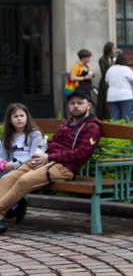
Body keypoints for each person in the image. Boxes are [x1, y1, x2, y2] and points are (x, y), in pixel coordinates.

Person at [0, 91, 101, 234]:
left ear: (88, 105)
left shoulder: (92, 127)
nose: (75, 106)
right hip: (45, 160)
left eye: (80, 103)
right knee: (7, 178)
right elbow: (53, 142)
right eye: (72, 103)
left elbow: (81, 153)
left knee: (24, 180)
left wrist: (49, 157)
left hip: (63, 167)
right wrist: (42, 151)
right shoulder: (66, 123)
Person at [0, 103, 44, 224]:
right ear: (10, 120)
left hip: (29, 167)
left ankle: (7, 209)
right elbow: (2, 156)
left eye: (21, 115)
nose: (19, 118)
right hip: (11, 167)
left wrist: (13, 165)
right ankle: (16, 205)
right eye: (15, 116)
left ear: (27, 117)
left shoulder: (35, 134)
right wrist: (2, 164)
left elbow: (34, 158)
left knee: (4, 178)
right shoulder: (7, 136)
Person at [104, 52, 133, 121]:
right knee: (126, 118)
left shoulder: (110, 69)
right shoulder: (126, 69)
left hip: (112, 96)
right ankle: (126, 132)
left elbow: (106, 82)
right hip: (125, 96)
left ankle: (114, 131)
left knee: (114, 119)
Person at [96, 42, 116, 120]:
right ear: (109, 49)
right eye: (113, 48)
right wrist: (112, 66)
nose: (114, 50)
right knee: (104, 98)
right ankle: (103, 115)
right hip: (105, 82)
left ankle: (110, 115)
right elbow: (104, 72)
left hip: (112, 81)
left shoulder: (112, 58)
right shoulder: (102, 59)